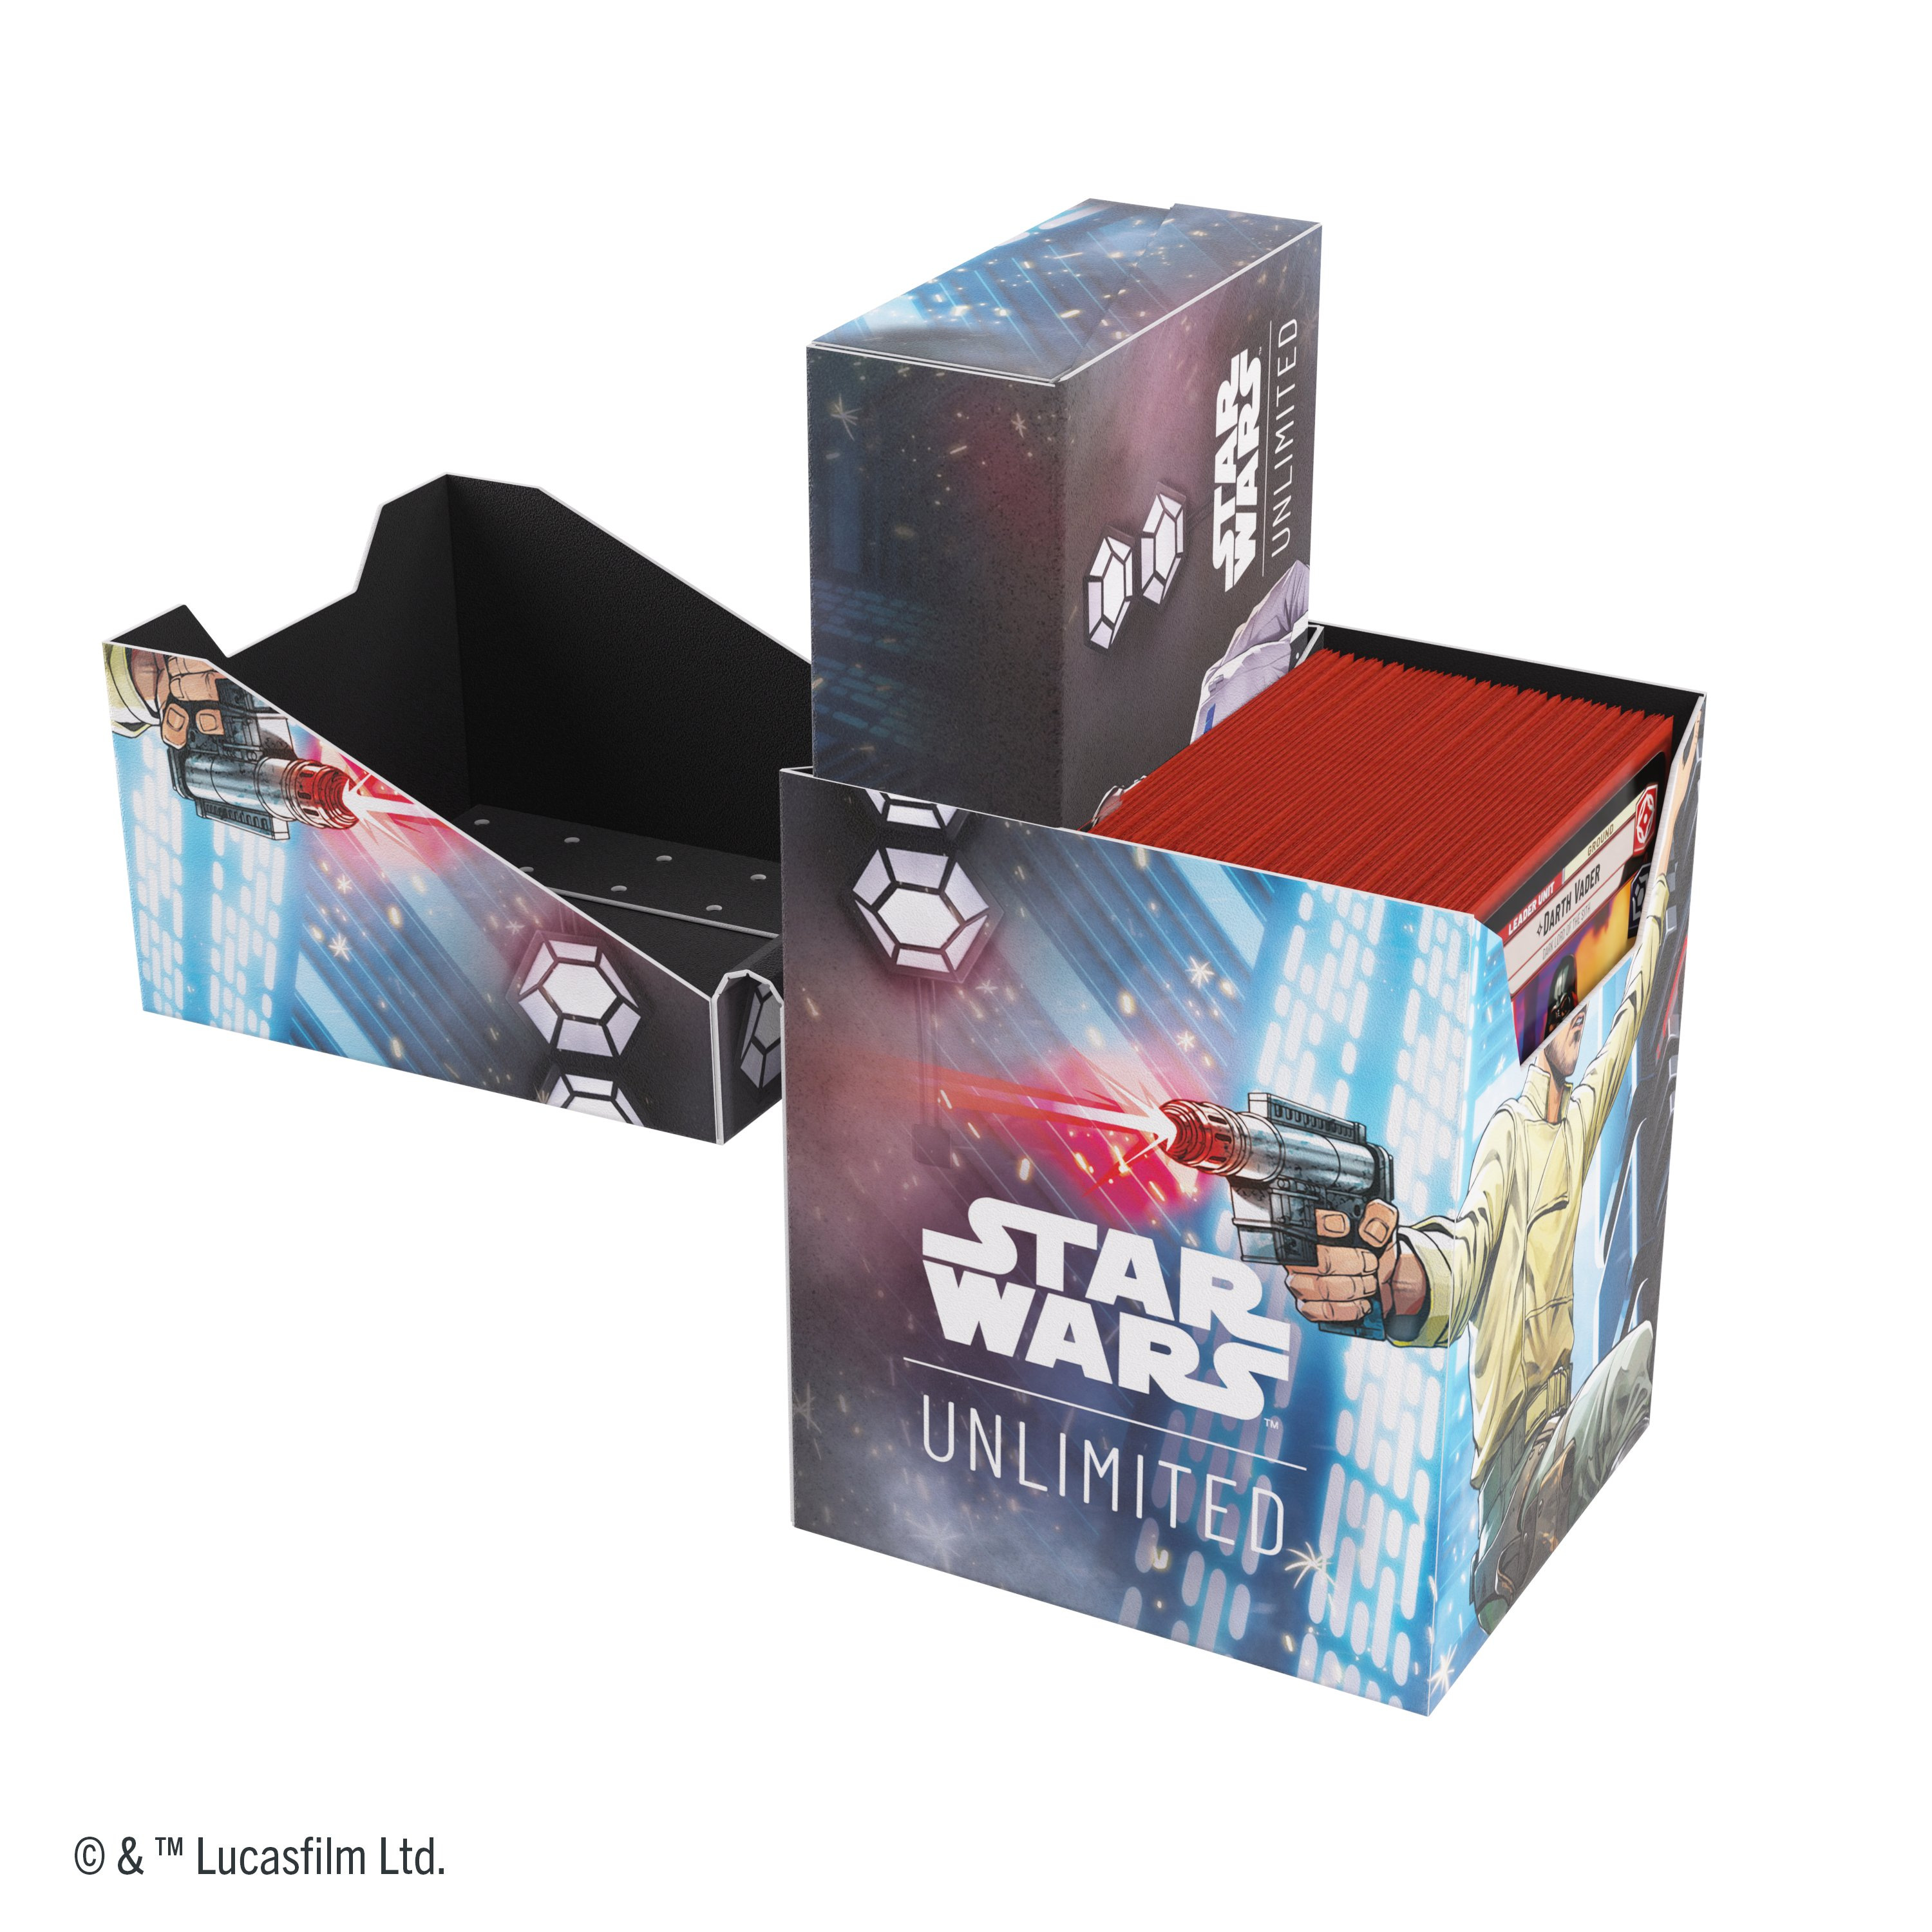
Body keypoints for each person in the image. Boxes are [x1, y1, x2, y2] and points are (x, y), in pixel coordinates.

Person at [1285, 714, 1700, 1627]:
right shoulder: (1509, 1133)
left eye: (1579, 1012)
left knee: (1639, 1375)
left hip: (1557, 1436)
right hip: (1515, 1458)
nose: (1577, 1023)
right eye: (1562, 1013)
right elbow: (1465, 1254)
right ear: (1534, 1033)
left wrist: (1665, 856)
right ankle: (1505, 1551)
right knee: (1637, 1366)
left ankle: (1522, 1552)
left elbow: (1634, 1008)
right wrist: (1395, 1275)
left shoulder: (1577, 1120)